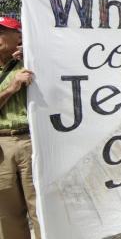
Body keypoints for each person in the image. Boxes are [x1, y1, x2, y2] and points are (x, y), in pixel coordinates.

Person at [0, 17, 40, 239]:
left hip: (31, 140)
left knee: (41, 208)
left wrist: (35, 58)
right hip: (2, 144)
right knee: (7, 213)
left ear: (19, 37)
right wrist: (12, 88)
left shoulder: (33, 62)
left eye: (2, 32)